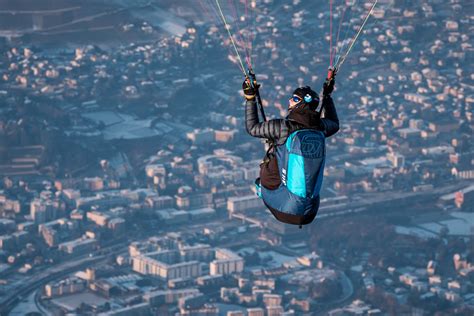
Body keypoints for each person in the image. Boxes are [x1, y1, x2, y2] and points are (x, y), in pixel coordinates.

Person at [242, 76, 340, 226]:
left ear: (300, 104)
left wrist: (250, 98)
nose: (289, 101)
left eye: (294, 98)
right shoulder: (320, 127)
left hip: (284, 209)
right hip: (309, 212)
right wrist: (327, 98)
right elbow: (334, 123)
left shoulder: (283, 127)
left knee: (264, 173)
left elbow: (252, 128)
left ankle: (262, 188)